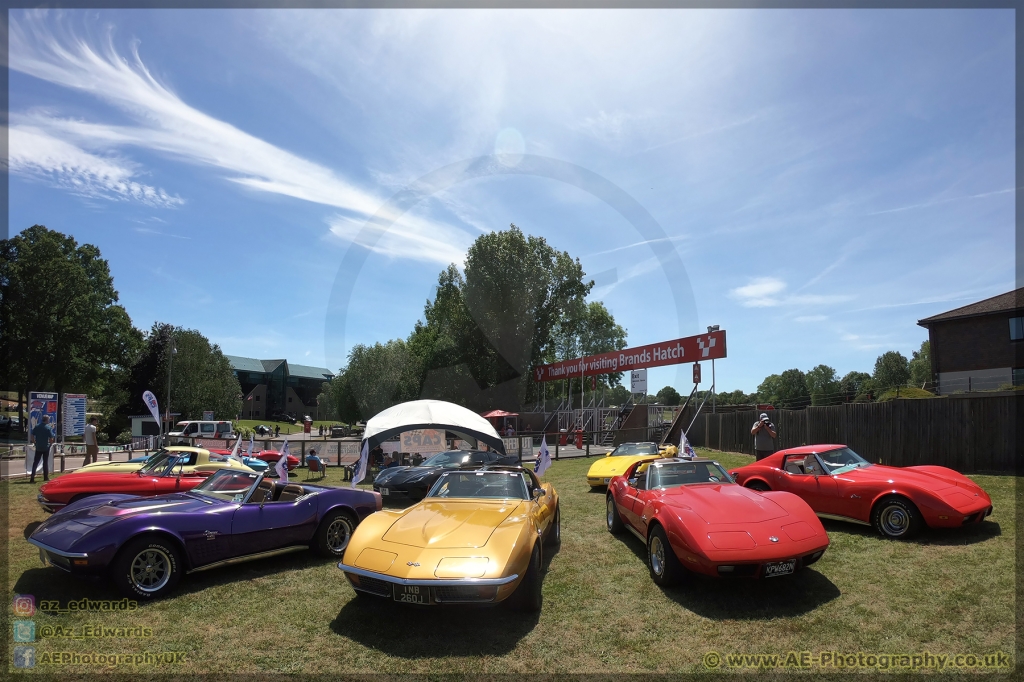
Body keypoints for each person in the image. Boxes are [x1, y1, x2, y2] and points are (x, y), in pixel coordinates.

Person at [30, 415, 53, 483]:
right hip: (45, 446)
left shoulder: (37, 426)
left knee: (36, 462)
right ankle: (45, 477)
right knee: (45, 462)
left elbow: (32, 435)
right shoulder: (48, 427)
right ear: (46, 420)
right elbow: (51, 437)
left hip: (38, 446)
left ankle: (32, 477)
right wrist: (50, 444)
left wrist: (34, 442)